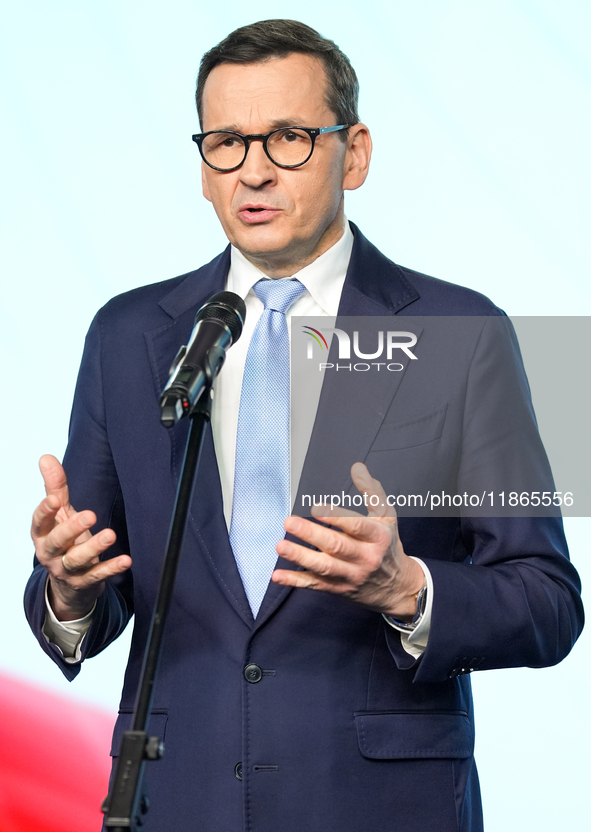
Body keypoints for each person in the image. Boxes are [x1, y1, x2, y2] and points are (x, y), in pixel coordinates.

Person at [25, 19, 583, 832]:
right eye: (226, 143)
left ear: (352, 152)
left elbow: (548, 600)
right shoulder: (127, 333)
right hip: (176, 800)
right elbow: (92, 598)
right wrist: (70, 591)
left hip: (381, 807)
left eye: (286, 138)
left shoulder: (465, 329)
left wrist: (404, 588)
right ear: (204, 166)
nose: (253, 170)